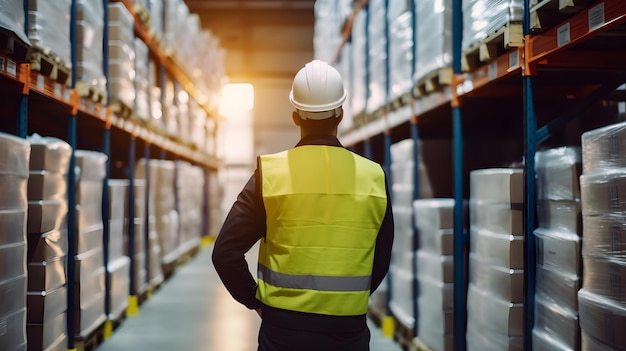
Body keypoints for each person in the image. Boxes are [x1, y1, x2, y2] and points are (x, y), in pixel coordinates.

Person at [212, 59, 394, 351]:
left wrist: (255, 301)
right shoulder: (373, 176)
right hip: (348, 330)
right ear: (342, 114)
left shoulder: (269, 174)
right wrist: (347, 301)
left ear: (296, 116)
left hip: (284, 331)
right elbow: (381, 256)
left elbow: (225, 253)